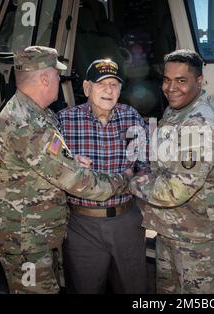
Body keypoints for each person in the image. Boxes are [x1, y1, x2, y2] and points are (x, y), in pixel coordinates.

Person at [0, 46, 132, 294]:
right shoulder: (26, 123)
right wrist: (123, 180)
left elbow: (45, 161)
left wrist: (71, 159)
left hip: (37, 233)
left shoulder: (39, 114)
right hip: (24, 239)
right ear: (44, 78)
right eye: (56, 75)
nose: (59, 80)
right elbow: (80, 183)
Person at [128, 49, 214, 294]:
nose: (171, 88)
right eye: (167, 80)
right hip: (174, 230)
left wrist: (132, 181)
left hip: (199, 240)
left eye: (181, 80)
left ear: (199, 81)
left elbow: (174, 191)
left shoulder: (200, 125)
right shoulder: (175, 111)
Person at [57, 59, 149, 294]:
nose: (109, 90)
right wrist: (71, 163)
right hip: (82, 226)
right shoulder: (65, 120)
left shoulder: (131, 117)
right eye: (101, 84)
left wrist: (138, 176)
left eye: (114, 84)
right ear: (87, 88)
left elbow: (145, 163)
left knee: (133, 288)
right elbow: (50, 166)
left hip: (126, 221)